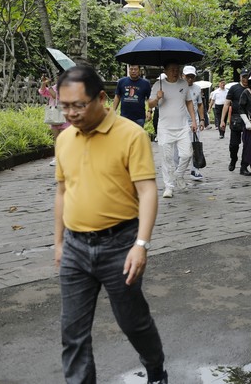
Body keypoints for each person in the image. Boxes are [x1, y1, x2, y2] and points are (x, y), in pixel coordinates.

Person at [53, 65, 167, 384]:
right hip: (75, 248)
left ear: (101, 98)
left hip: (120, 245)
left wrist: (141, 245)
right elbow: (62, 191)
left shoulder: (131, 135)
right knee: (72, 331)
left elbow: (147, 191)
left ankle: (156, 370)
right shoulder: (64, 140)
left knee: (133, 322)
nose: (71, 113)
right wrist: (59, 242)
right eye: (65, 106)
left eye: (79, 105)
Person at [148, 63, 198, 199]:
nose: (175, 72)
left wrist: (193, 120)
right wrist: (158, 97)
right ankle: (168, 187)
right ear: (165, 71)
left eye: (177, 70)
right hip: (165, 128)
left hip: (182, 126)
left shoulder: (183, 84)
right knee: (167, 158)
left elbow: (189, 102)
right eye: (172, 70)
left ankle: (179, 175)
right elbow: (150, 104)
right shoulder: (158, 85)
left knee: (187, 154)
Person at [220, 69, 251, 176]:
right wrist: (222, 121)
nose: (246, 79)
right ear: (240, 77)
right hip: (236, 119)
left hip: (250, 119)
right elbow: (227, 104)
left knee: (248, 144)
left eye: (247, 77)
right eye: (244, 77)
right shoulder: (234, 88)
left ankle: (244, 166)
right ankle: (233, 159)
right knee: (234, 144)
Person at [40, 74, 70, 166]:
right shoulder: (54, 87)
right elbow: (42, 92)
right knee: (56, 138)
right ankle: (57, 157)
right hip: (54, 115)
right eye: (57, 76)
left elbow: (55, 96)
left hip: (64, 116)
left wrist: (49, 87)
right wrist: (43, 83)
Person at [183, 66, 206, 181]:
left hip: (194, 121)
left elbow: (200, 104)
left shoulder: (197, 88)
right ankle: (179, 170)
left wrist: (202, 119)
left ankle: (195, 169)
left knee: (195, 145)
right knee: (181, 148)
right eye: (188, 76)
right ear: (183, 76)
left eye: (192, 77)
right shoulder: (179, 87)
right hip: (181, 121)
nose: (190, 79)